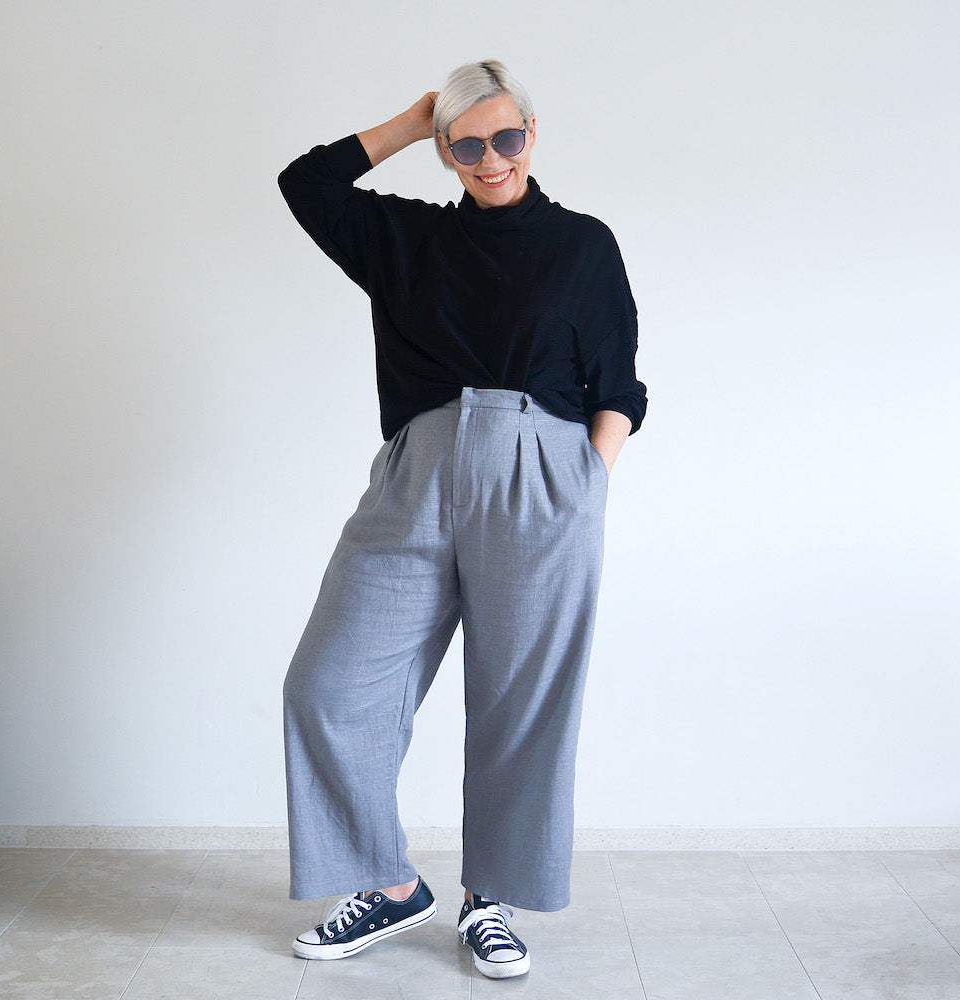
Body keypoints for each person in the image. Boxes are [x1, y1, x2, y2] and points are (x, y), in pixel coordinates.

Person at [278, 59, 646, 980]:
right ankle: (388, 882)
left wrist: (584, 485)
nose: (492, 159)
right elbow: (306, 184)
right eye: (468, 144)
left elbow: (619, 383)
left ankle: (493, 898)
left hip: (543, 477)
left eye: (507, 137)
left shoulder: (583, 245)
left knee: (521, 701)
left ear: (533, 133)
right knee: (328, 685)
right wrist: (413, 121)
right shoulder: (405, 237)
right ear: (445, 152)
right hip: (418, 471)